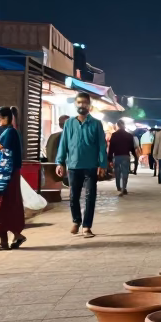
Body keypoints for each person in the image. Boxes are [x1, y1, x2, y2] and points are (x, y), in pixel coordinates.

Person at [55, 91, 108, 238]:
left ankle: (87, 226)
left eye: (84, 102)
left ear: (89, 105)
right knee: (73, 197)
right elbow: (64, 143)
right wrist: (60, 162)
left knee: (90, 197)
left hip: (91, 166)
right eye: (79, 102)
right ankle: (76, 221)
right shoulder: (69, 123)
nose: (82, 105)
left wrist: (102, 164)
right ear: (75, 104)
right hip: (73, 166)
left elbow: (101, 145)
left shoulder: (96, 124)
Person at [0, 105, 25, 250]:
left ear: (7, 118)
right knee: (5, 205)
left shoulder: (10, 133)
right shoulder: (9, 132)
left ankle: (5, 242)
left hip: (6, 176)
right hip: (7, 175)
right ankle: (15, 236)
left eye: (0, 118)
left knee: (1, 206)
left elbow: (6, 151)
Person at [108, 120, 137, 195]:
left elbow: (111, 147)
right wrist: (135, 155)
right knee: (125, 173)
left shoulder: (114, 135)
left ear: (117, 125)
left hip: (117, 156)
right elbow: (132, 148)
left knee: (117, 172)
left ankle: (118, 187)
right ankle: (124, 188)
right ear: (124, 125)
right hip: (125, 156)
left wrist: (109, 157)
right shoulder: (129, 135)